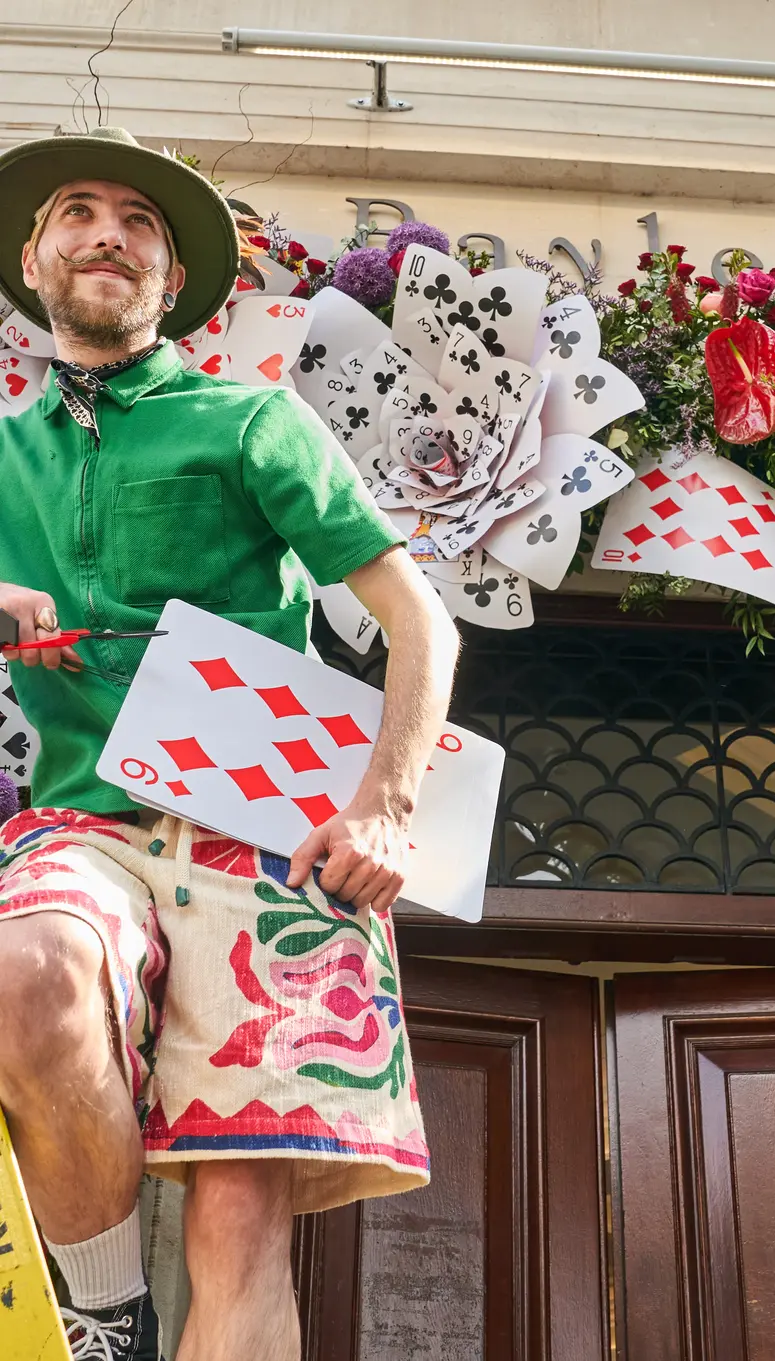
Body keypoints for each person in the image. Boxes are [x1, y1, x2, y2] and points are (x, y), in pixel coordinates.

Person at [0, 128, 460, 1361]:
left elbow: (418, 619)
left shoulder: (252, 418)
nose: (110, 233)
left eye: (140, 222)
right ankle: (105, 1322)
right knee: (24, 967)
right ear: (33, 259)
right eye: (79, 213)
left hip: (273, 836)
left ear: (169, 274)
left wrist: (388, 807)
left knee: (244, 1202)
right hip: (85, 818)